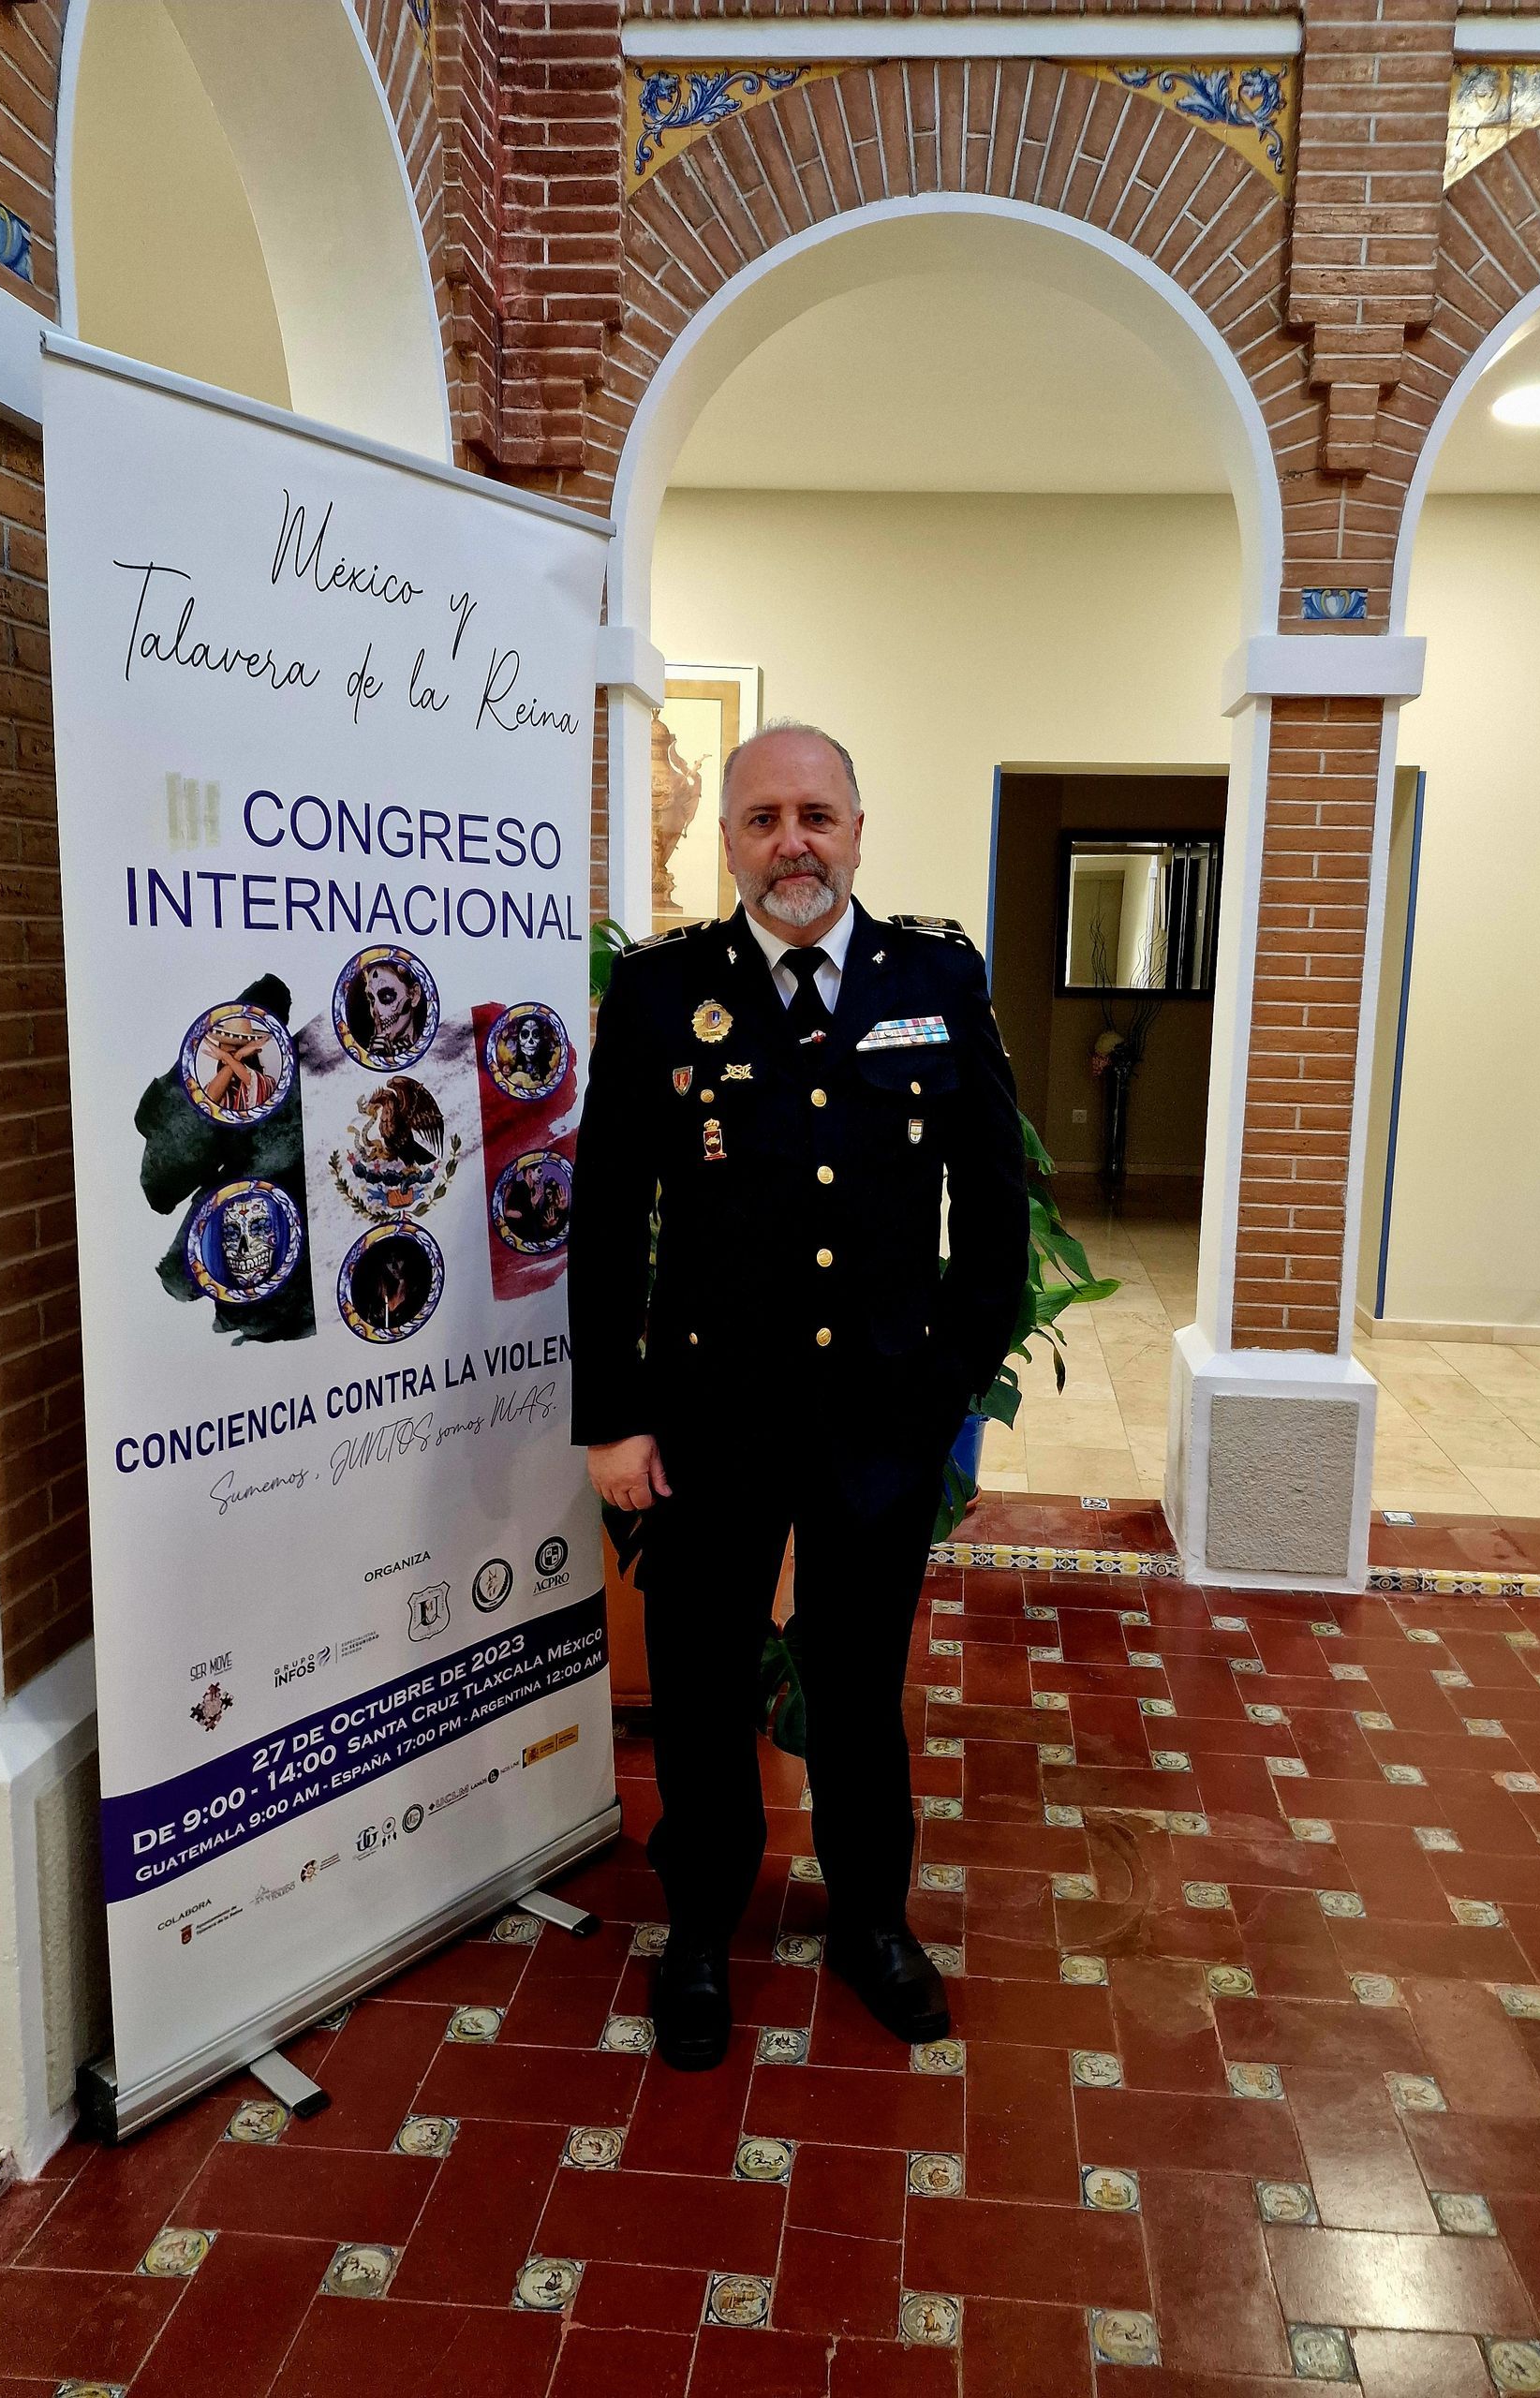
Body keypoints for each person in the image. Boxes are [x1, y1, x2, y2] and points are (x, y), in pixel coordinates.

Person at [568, 721, 1029, 2071]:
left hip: (880, 1421)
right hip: (708, 1421)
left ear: (857, 833)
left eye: (815, 816)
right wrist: (613, 1416)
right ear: (730, 842)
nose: (793, 844)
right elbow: (608, 1221)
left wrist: (946, 1380)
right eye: (764, 819)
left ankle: (872, 1919)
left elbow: (993, 1207)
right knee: (703, 1685)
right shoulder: (664, 993)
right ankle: (701, 1931)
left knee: (858, 1680)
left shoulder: (935, 979)